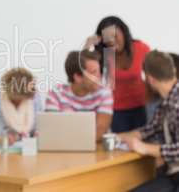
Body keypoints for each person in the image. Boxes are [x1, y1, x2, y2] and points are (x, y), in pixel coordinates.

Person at [117, 50, 179, 192]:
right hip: (172, 173)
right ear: (174, 70)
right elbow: (150, 130)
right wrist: (119, 137)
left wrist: (145, 148)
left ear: (150, 79)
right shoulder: (165, 101)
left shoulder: (177, 102)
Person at [89, 16, 150, 133]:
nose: (112, 42)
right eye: (107, 40)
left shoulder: (141, 48)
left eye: (115, 36)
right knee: (121, 147)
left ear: (124, 31)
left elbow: (151, 79)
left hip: (141, 107)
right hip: (117, 111)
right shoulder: (103, 54)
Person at [45, 50, 113, 142]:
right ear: (78, 77)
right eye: (93, 73)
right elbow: (51, 130)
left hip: (95, 151)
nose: (99, 76)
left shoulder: (105, 93)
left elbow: (101, 130)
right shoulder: (56, 94)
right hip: (64, 151)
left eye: (98, 71)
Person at [0, 67, 42, 150]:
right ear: (15, 95)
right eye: (30, 91)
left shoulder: (35, 97)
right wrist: (0, 140)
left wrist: (40, 133)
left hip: (30, 149)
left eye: (34, 86)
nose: (34, 92)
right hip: (5, 150)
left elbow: (39, 125)